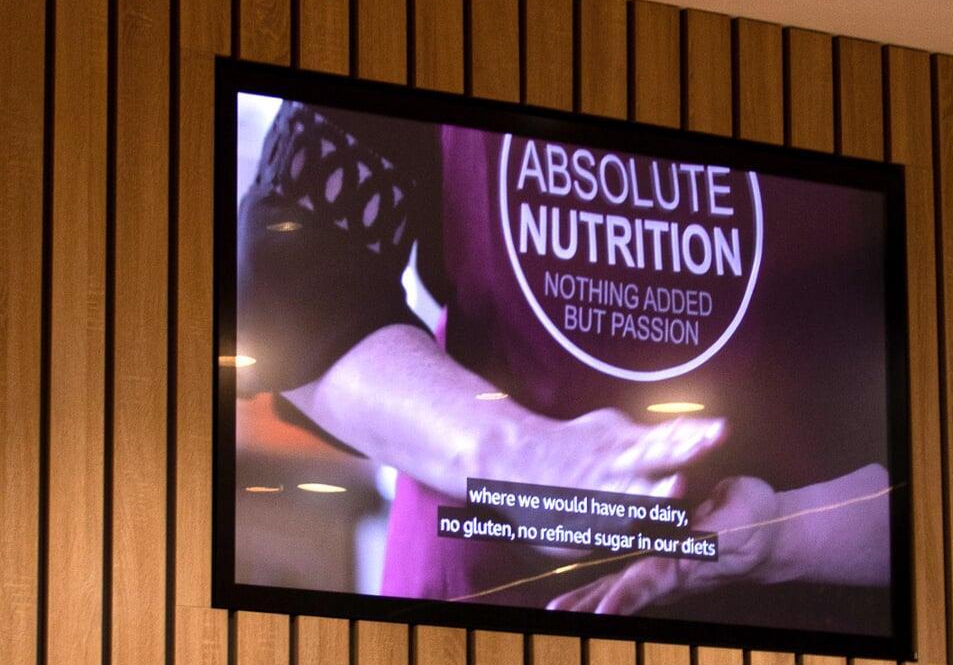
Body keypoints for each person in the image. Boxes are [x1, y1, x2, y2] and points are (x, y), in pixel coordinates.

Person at [237, 98, 896, 630]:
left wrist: (783, 534)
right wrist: (516, 457)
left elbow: (947, 451)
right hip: (480, 626)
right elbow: (287, 302)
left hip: (821, 639)